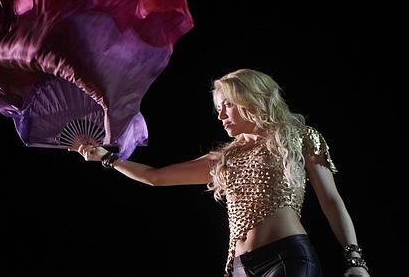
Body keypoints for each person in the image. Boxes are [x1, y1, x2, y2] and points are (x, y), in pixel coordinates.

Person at [72, 69, 370, 277]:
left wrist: (355, 260)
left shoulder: (299, 137)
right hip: (239, 268)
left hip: (287, 257)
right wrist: (106, 158)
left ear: (251, 99)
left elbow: (331, 200)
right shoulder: (225, 158)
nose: (220, 114)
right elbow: (155, 176)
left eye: (227, 104)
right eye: (218, 107)